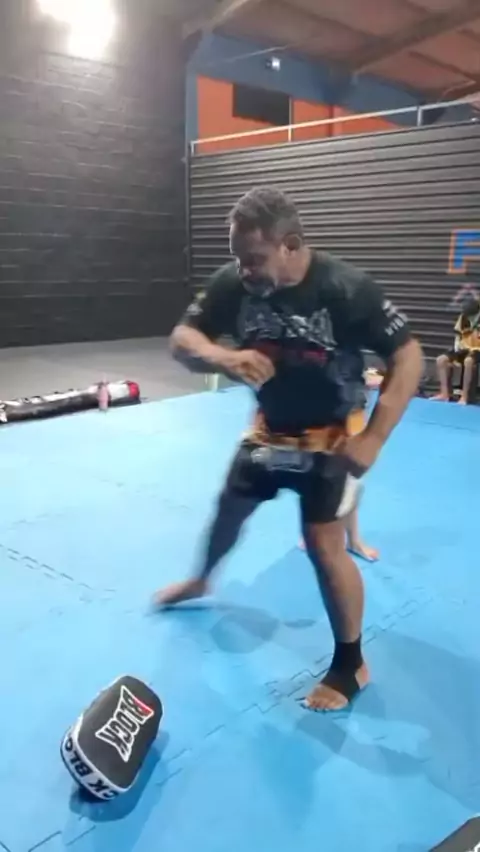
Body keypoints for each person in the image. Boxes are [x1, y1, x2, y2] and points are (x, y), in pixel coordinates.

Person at [155, 187, 423, 711]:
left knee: (323, 544)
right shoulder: (235, 284)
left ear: (291, 245)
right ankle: (201, 580)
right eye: (238, 257)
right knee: (228, 509)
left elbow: (408, 357)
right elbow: (182, 339)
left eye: (254, 258)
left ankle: (351, 665)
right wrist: (223, 358)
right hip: (269, 429)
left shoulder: (345, 288)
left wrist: (374, 437)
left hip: (331, 436)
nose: (244, 269)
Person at [433, 296, 480, 404]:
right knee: (441, 360)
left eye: (471, 315)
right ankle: (444, 394)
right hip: (463, 348)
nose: (469, 317)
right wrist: (456, 353)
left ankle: (464, 396)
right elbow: (458, 336)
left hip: (477, 349)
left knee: (468, 361)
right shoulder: (463, 318)